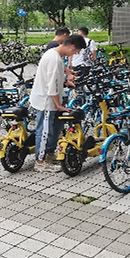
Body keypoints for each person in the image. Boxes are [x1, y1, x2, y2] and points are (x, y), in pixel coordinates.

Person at [30, 34, 86, 172]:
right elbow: (52, 86)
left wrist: (66, 81)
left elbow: (56, 78)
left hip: (50, 100)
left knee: (54, 129)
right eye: (76, 51)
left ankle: (49, 155)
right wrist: (58, 105)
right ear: (71, 46)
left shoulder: (54, 54)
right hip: (46, 101)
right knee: (44, 131)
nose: (74, 54)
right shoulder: (54, 59)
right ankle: (40, 162)